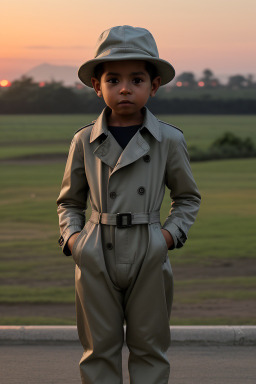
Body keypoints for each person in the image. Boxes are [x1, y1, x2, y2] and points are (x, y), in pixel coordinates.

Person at [57, 25, 201, 384]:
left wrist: (166, 238)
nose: (125, 88)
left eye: (136, 79)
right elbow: (69, 202)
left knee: (149, 347)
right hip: (95, 250)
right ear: (96, 85)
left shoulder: (168, 139)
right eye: (113, 79)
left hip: (149, 249)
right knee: (98, 350)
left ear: (153, 86)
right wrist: (75, 242)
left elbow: (187, 197)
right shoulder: (84, 141)